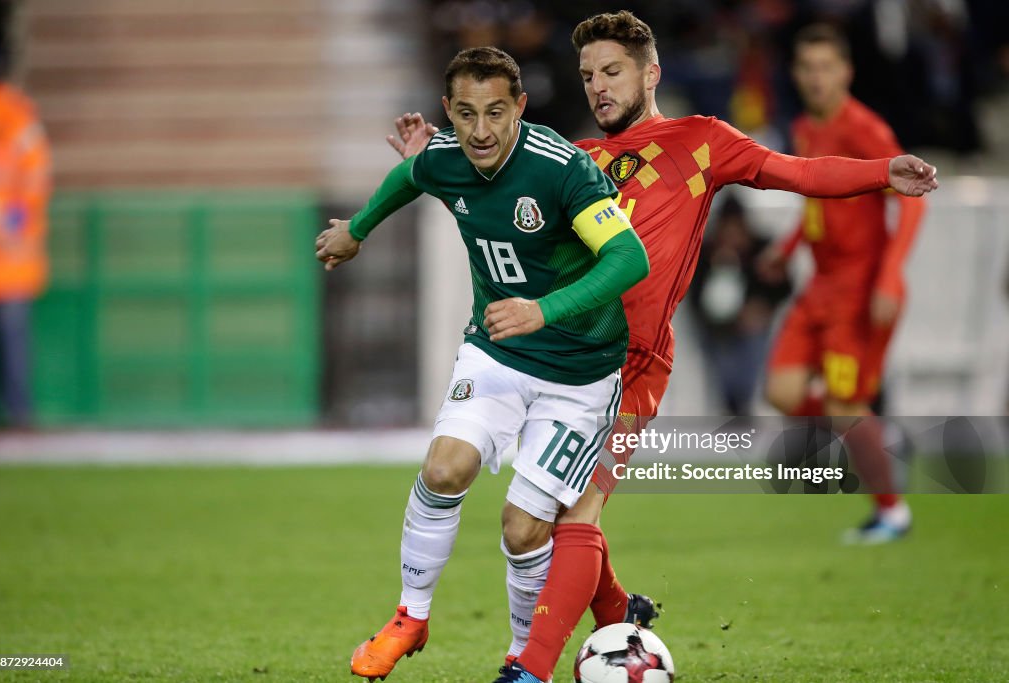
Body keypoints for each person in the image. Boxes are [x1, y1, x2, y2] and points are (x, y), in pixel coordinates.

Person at [391, 12, 937, 683]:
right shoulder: (576, 159)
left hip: (633, 368)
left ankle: (529, 669)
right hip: (560, 362)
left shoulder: (701, 141)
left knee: (572, 512)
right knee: (542, 520)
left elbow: (796, 171)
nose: (597, 86)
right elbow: (497, 202)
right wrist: (428, 161)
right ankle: (623, 616)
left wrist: (884, 171)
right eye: (588, 74)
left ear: (651, 73)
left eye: (612, 71)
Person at [317, 46, 650, 682]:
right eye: (466, 114)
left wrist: (542, 310)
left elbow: (629, 259)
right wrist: (357, 230)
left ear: (520, 107)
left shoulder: (561, 169)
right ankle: (410, 616)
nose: (481, 131)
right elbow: (409, 178)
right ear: (449, 111)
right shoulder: (446, 156)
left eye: (496, 112)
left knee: (525, 529)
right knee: (443, 469)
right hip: (496, 352)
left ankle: (522, 658)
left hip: (580, 375)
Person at [759, 24, 926, 545]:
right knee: (782, 392)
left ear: (846, 72)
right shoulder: (806, 127)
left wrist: (891, 274)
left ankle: (892, 513)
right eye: (807, 68)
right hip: (820, 288)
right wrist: (785, 250)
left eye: (826, 67)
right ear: (795, 74)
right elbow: (817, 202)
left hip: (860, 291)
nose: (816, 78)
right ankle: (871, 434)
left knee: (843, 405)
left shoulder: (864, 128)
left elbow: (913, 197)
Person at [0, 53, 51, 429]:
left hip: (10, 260)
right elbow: (35, 188)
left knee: (12, 343)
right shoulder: (20, 120)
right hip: (13, 261)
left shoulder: (18, 120)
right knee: (13, 343)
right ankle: (18, 416)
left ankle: (17, 413)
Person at [689, 194, 791, 415]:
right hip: (716, 329)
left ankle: (744, 404)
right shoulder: (705, 252)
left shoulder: (761, 248)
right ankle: (731, 407)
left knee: (752, 352)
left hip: (753, 327)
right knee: (722, 361)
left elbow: (782, 287)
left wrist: (761, 307)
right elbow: (693, 295)